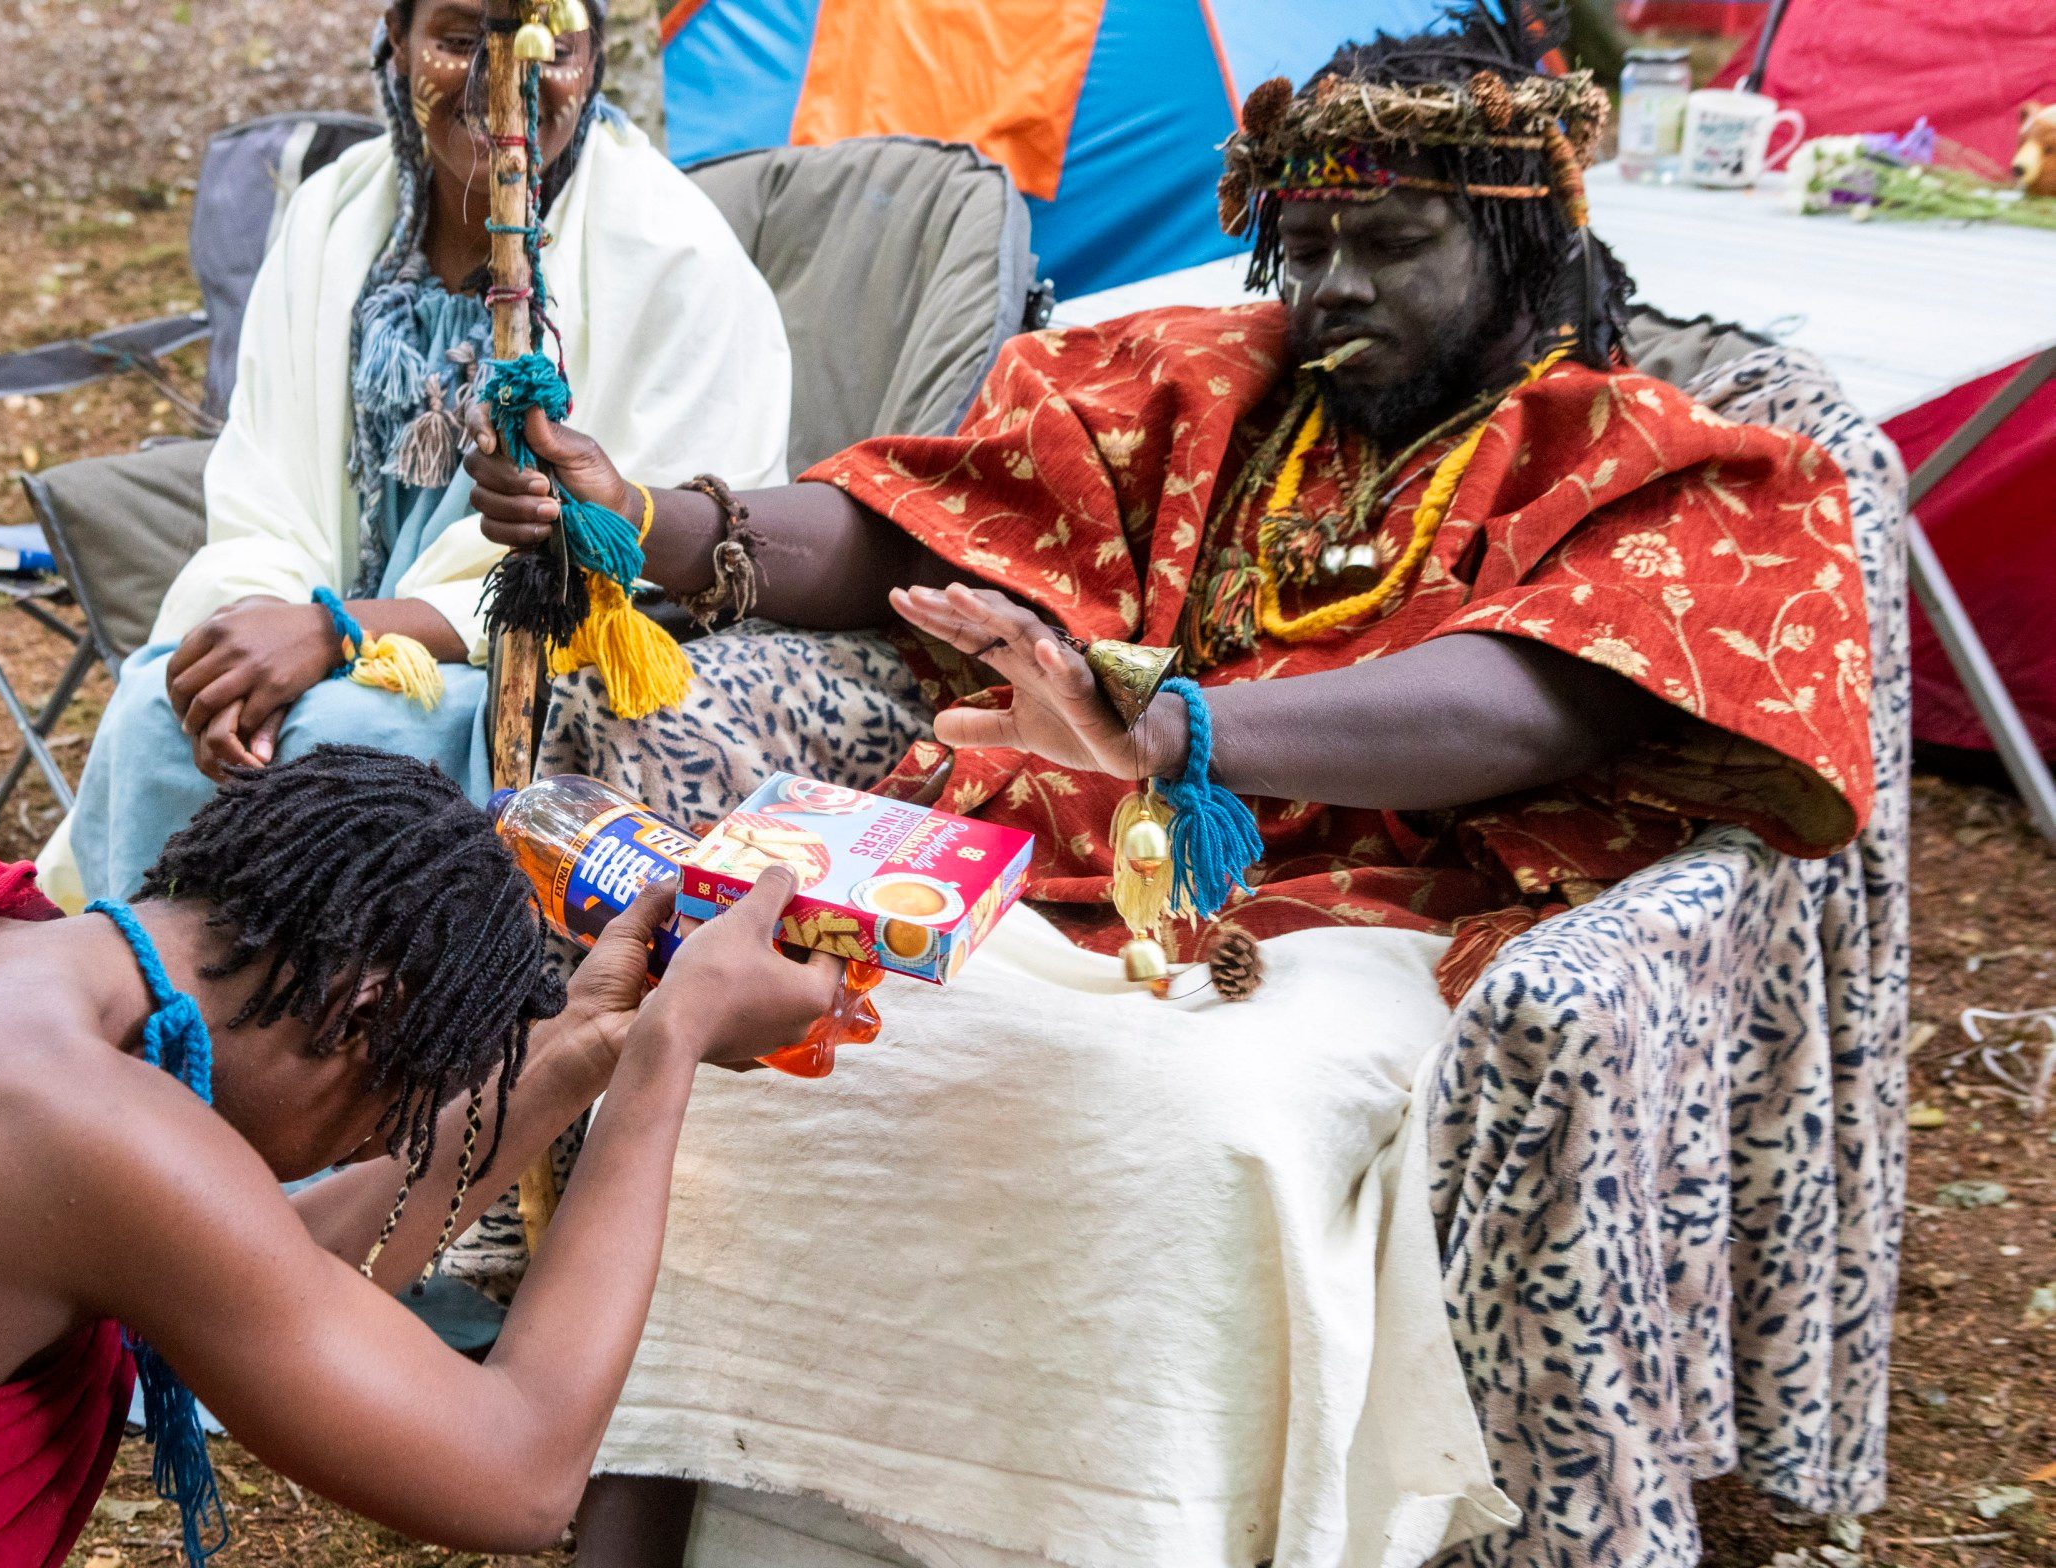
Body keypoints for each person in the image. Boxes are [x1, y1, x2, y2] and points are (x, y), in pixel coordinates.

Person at [463, 7, 1884, 1567]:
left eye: (1392, 242)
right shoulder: (1202, 385)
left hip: (1382, 925)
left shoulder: (1648, 455)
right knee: (771, 1066)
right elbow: (925, 520)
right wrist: (654, 518)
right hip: (1055, 883)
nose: (1333, 285)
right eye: (1307, 240)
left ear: (1520, 239)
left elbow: (1530, 706)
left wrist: (1166, 731)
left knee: (1192, 1121)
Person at [0, 747, 844, 1566]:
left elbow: (271, 1271)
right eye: (385, 1114)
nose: (381, 1143)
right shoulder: (85, 1127)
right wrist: (671, 1055)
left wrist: (574, 1056)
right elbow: (515, 1475)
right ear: (362, 1011)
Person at [34, 0, 791, 909]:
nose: (500, 83)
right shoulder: (330, 215)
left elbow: (654, 563)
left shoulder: (674, 254)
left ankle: (341, 1037)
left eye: (545, 48)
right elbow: (265, 482)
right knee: (161, 710)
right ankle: (146, 1011)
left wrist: (343, 633)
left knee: (347, 738)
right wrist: (271, 627)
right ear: (396, 44)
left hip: (530, 666)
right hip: (317, 613)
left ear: (590, 61)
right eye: (461, 42)